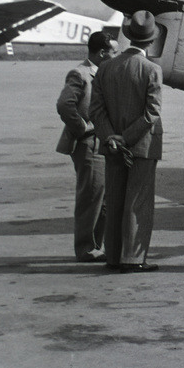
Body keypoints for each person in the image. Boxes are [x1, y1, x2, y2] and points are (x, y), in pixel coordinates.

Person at [90, 11, 163, 273]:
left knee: (115, 199)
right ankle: (133, 258)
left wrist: (111, 137)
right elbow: (152, 113)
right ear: (151, 40)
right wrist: (128, 137)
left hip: (111, 146)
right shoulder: (152, 70)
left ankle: (113, 256)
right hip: (142, 145)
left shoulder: (106, 68)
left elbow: (95, 110)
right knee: (138, 202)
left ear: (129, 36)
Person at [56, 31, 119, 262]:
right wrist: (83, 128)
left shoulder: (106, 72)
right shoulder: (80, 73)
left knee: (103, 199)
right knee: (90, 197)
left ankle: (96, 246)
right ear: (102, 53)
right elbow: (65, 105)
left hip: (105, 144)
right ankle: (85, 249)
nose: (117, 55)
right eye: (114, 52)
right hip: (89, 144)